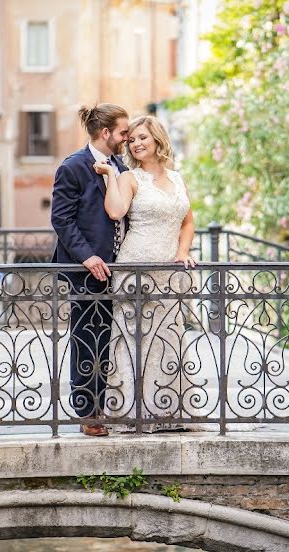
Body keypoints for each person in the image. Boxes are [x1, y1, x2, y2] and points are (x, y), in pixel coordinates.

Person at [94, 115, 200, 432]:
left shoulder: (178, 179)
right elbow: (115, 211)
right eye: (133, 139)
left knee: (168, 340)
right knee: (133, 341)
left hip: (168, 270)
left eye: (143, 137)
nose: (137, 143)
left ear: (157, 139)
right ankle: (132, 413)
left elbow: (188, 222)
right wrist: (112, 175)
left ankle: (169, 411)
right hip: (134, 269)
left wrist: (182, 254)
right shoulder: (130, 178)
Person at [51, 103, 129, 437]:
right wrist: (87, 258)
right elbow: (61, 219)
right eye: (123, 131)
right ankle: (88, 411)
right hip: (87, 272)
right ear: (105, 132)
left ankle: (115, 403)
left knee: (114, 337)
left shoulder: (121, 165)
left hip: (121, 269)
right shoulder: (73, 167)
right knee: (88, 338)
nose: (127, 137)